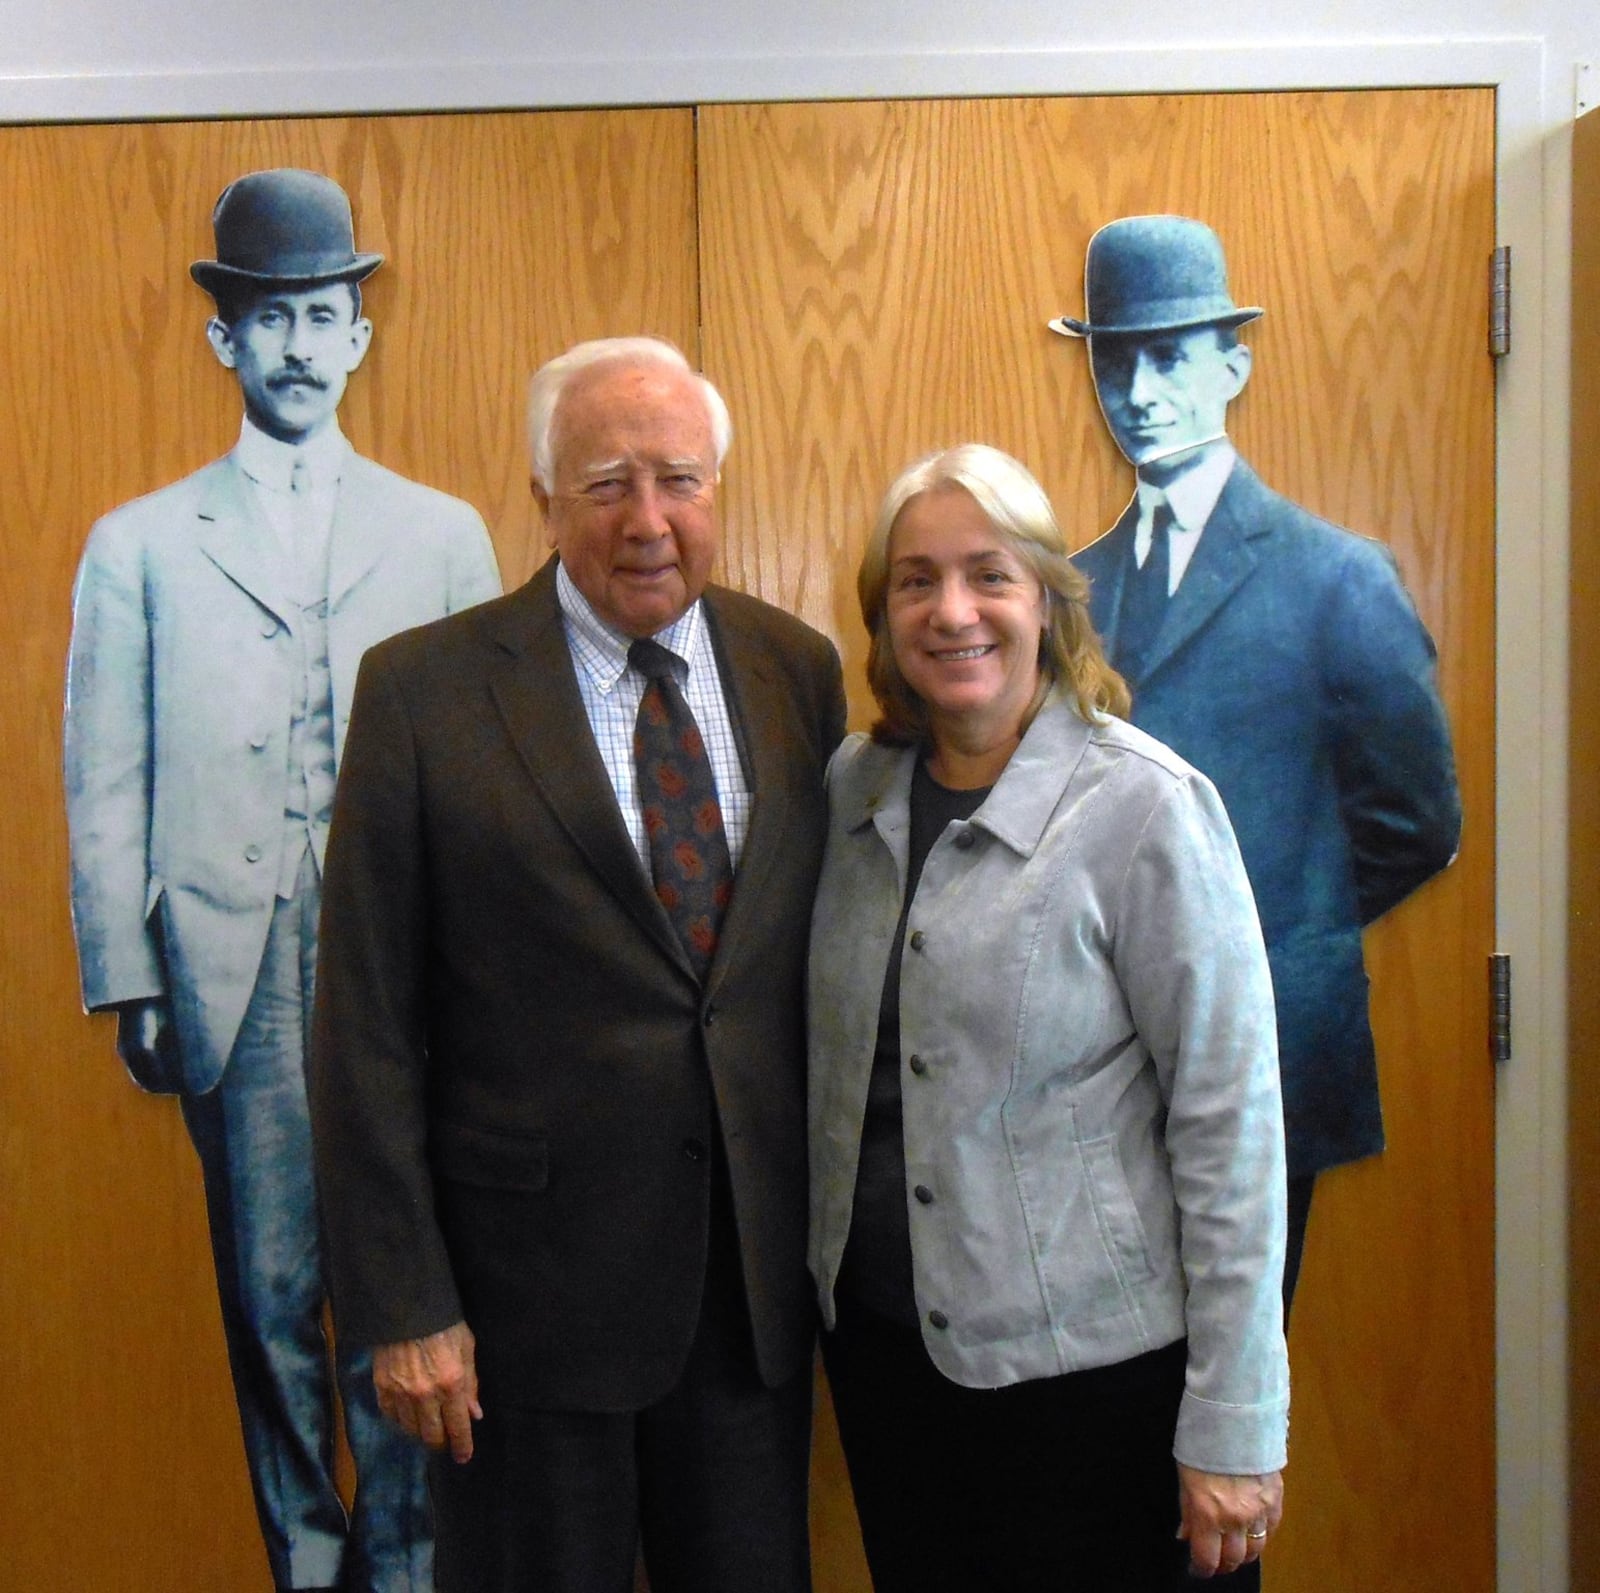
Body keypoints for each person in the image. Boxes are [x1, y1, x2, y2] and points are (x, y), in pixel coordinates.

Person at [307, 336, 847, 1593]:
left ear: (720, 491)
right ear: (542, 500)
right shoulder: (423, 695)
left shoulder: (797, 672)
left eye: (680, 480)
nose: (649, 521)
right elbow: (363, 1026)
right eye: (608, 484)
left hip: (748, 1306)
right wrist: (404, 1304)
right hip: (516, 1324)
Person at [63, 167, 503, 1592]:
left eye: (324, 315)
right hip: (231, 968)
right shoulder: (137, 546)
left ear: (361, 335)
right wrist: (128, 974)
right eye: (271, 321)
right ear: (225, 342)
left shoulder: (440, 535)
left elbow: (486, 777)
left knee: (408, 1287)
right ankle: (306, 1570)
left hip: (403, 968)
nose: (301, 347)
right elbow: (109, 771)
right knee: (270, 1302)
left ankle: (410, 1563)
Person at [808, 443, 1289, 1591]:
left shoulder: (1145, 808)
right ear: (884, 615)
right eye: (916, 581)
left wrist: (1234, 1420)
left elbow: (1233, 1126)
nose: (952, 611)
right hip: (887, 1366)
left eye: (989, 574)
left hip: (1094, 1392)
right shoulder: (848, 791)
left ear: (1045, 600)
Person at [1053, 214, 1461, 1308]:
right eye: (1112, 357)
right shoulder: (1066, 591)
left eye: (1169, 356)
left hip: (1273, 1048)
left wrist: (1254, 923)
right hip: (1088, 1058)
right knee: (1106, 1409)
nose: (1138, 391)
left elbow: (1416, 823)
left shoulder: (1337, 578)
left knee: (1234, 1402)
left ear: (1232, 364)